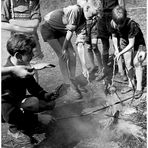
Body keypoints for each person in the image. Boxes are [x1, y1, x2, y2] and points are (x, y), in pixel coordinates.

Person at [2, 34, 57, 144]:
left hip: (18, 102)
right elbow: (7, 112)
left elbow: (33, 87)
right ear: (18, 56)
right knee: (32, 103)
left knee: (48, 103)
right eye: (30, 53)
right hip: (6, 111)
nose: (33, 55)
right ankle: (13, 130)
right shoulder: (6, 78)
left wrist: (45, 95)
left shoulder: (24, 66)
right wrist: (36, 118)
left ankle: (27, 117)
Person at [40, 0, 102, 99]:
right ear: (86, 8)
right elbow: (70, 31)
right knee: (62, 55)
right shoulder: (75, 10)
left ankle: (72, 79)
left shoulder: (85, 21)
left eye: (94, 16)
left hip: (61, 29)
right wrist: (64, 48)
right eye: (91, 16)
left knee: (72, 54)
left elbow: (80, 45)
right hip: (48, 27)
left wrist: (84, 67)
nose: (92, 19)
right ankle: (67, 83)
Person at [1, 0, 43, 81]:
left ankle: (36, 91)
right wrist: (26, 29)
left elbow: (34, 24)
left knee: (33, 66)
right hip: (17, 43)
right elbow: (2, 24)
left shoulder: (33, 1)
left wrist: (12, 22)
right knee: (17, 66)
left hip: (32, 42)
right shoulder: (8, 2)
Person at [111, 6, 146, 98]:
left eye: (121, 23)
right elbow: (114, 36)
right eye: (117, 23)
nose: (118, 26)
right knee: (127, 63)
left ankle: (139, 88)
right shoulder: (113, 23)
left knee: (137, 63)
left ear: (125, 18)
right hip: (124, 40)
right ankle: (131, 85)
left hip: (138, 44)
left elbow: (131, 44)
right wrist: (116, 49)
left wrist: (120, 53)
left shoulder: (131, 25)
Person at [96, 0, 127, 81]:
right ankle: (104, 69)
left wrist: (122, 16)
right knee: (105, 46)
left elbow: (121, 3)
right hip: (103, 18)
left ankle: (121, 71)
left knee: (117, 45)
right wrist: (99, 13)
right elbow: (98, 3)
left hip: (114, 15)